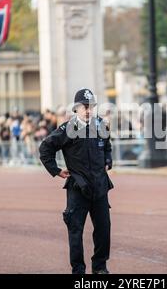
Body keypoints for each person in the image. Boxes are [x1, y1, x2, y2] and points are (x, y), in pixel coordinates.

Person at [39, 88, 114, 274]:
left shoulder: (100, 126)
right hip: (77, 188)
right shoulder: (67, 129)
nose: (88, 110)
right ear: (76, 109)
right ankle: (78, 270)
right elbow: (45, 148)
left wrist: (108, 160)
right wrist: (56, 170)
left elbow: (107, 146)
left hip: (100, 186)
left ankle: (100, 267)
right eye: (84, 107)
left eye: (91, 107)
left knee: (104, 230)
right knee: (75, 231)